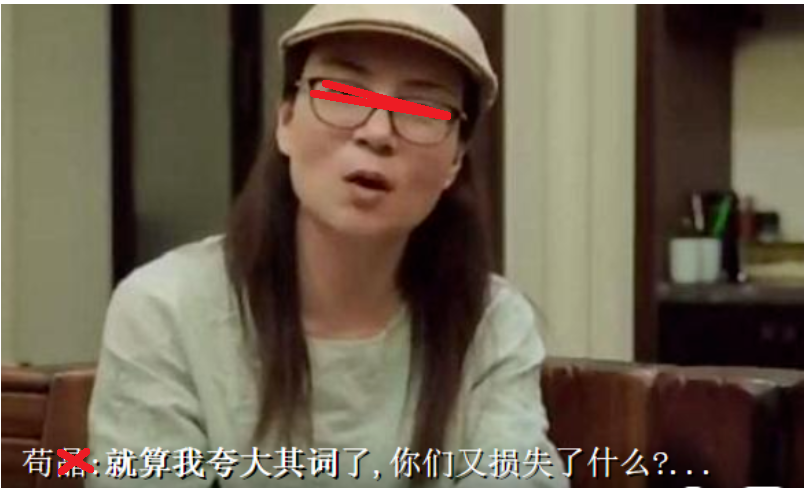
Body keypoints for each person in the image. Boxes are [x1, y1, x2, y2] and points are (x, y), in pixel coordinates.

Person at [88, 4, 567, 488]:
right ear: (286, 120)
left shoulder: (491, 323)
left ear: (455, 161)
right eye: (342, 92)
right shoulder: (165, 309)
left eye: (423, 109)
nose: (377, 132)